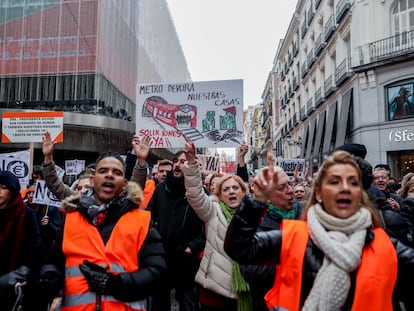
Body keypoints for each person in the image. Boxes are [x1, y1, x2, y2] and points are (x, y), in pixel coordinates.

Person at [224, 151, 414, 311]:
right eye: (334, 182)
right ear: (319, 193)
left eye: (353, 182)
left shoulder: (385, 245)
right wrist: (256, 201)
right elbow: (239, 249)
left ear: (360, 194)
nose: (345, 188)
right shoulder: (294, 238)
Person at [39, 151, 166, 310]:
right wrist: (50, 275)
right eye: (103, 171)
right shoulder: (71, 219)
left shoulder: (141, 221)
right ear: (92, 180)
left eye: (117, 172)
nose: (110, 175)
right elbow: (54, 261)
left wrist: (115, 284)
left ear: (125, 183)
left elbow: (157, 273)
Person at [182, 137, 251, 311]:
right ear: (219, 195)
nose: (231, 192)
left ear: (244, 192)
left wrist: (241, 160)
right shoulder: (212, 211)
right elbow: (195, 195)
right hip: (214, 291)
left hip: (245, 290)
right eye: (225, 189)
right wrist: (191, 164)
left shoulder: (252, 215)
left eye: (236, 188)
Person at [239, 165, 305, 311]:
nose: (290, 190)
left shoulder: (307, 212)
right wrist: (293, 265)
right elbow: (249, 270)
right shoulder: (254, 223)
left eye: (289, 184)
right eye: (281, 187)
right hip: (271, 303)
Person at [147, 149, 205, 311]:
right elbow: (147, 218)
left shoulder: (200, 194)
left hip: (187, 263)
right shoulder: (161, 189)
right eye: (176, 161)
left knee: (188, 305)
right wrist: (155, 244)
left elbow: (210, 227)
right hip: (162, 259)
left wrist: (192, 247)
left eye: (184, 161)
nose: (178, 165)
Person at [0, 171, 41, 310]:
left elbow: (34, 245)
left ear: (12, 191)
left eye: (3, 188)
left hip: (15, 279)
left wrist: (19, 273)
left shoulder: (26, 213)